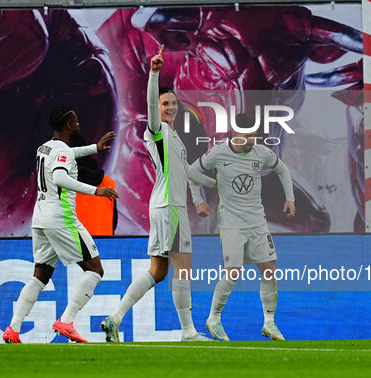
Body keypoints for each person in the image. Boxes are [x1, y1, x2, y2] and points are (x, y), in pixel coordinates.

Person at [101, 46, 213, 342]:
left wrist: (209, 186)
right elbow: (150, 109)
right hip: (169, 207)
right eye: (165, 104)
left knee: (159, 270)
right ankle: (188, 332)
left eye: (174, 103)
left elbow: (187, 173)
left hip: (166, 207)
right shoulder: (157, 132)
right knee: (184, 267)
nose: (170, 107)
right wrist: (154, 74)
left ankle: (114, 319)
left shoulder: (176, 138)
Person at [3, 106, 119, 343]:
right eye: (76, 122)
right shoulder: (62, 152)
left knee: (40, 275)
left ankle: (13, 329)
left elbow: (67, 154)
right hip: (62, 218)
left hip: (40, 217)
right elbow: (59, 176)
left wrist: (94, 148)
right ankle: (66, 320)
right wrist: (97, 190)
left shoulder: (45, 147)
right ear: (68, 125)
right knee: (95, 270)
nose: (78, 125)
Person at [188, 114, 296, 341]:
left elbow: (282, 170)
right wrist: (198, 200)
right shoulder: (217, 153)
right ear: (234, 134)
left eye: (254, 136)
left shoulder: (262, 152)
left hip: (257, 221)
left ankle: (269, 322)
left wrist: (290, 198)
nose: (251, 141)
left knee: (269, 269)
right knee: (234, 272)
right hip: (231, 224)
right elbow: (192, 172)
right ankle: (213, 319)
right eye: (246, 136)